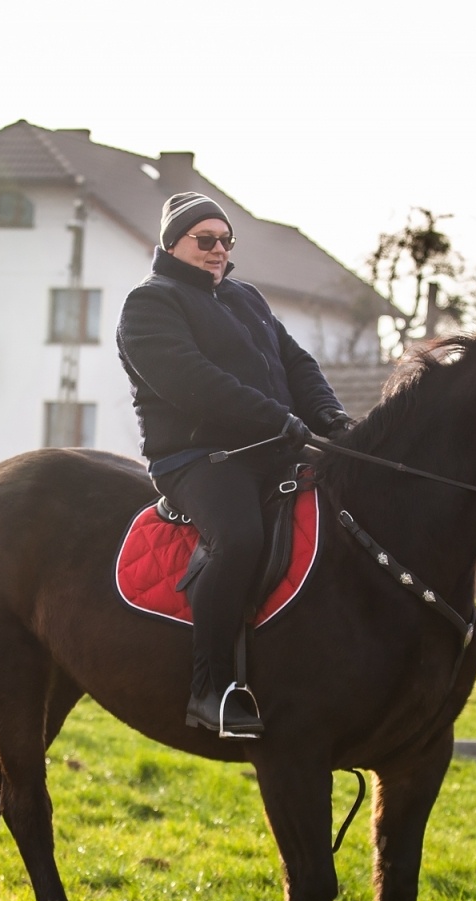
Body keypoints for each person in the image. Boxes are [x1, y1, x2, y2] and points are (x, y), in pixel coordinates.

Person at [116, 192, 355, 739]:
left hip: (273, 447)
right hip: (199, 458)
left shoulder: (245, 296)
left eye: (226, 241)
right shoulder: (150, 303)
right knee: (240, 537)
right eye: (205, 240)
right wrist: (276, 418)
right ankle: (211, 689)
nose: (218, 250)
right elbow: (192, 382)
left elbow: (296, 362)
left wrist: (330, 418)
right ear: (172, 244)